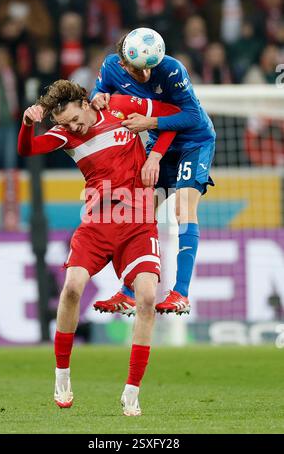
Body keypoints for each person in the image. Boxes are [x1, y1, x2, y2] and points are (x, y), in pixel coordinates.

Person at [17, 79, 179, 415]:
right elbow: (27, 150)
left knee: (148, 297)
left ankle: (132, 390)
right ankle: (62, 375)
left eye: (75, 119)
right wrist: (28, 123)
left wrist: (155, 156)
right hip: (97, 223)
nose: (73, 127)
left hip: (138, 222)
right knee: (72, 289)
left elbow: (173, 115)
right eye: (65, 124)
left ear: (85, 102)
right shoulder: (66, 135)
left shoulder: (119, 107)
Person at [91, 28, 216, 316]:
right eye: (138, 71)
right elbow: (102, 90)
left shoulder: (172, 70)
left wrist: (154, 148)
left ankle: (181, 293)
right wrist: (98, 96)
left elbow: (190, 116)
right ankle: (127, 292)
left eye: (150, 69)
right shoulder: (112, 66)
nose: (146, 76)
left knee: (183, 207)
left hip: (194, 141)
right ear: (123, 63)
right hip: (160, 139)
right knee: (140, 212)